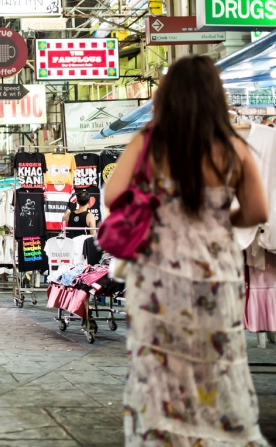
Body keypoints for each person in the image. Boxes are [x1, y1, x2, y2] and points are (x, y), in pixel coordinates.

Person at [103, 55, 269, 446]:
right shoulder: (233, 147)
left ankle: (168, 436)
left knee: (161, 362)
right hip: (217, 272)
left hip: (160, 274)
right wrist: (218, 220)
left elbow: (113, 194)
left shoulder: (150, 141)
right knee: (215, 360)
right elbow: (259, 211)